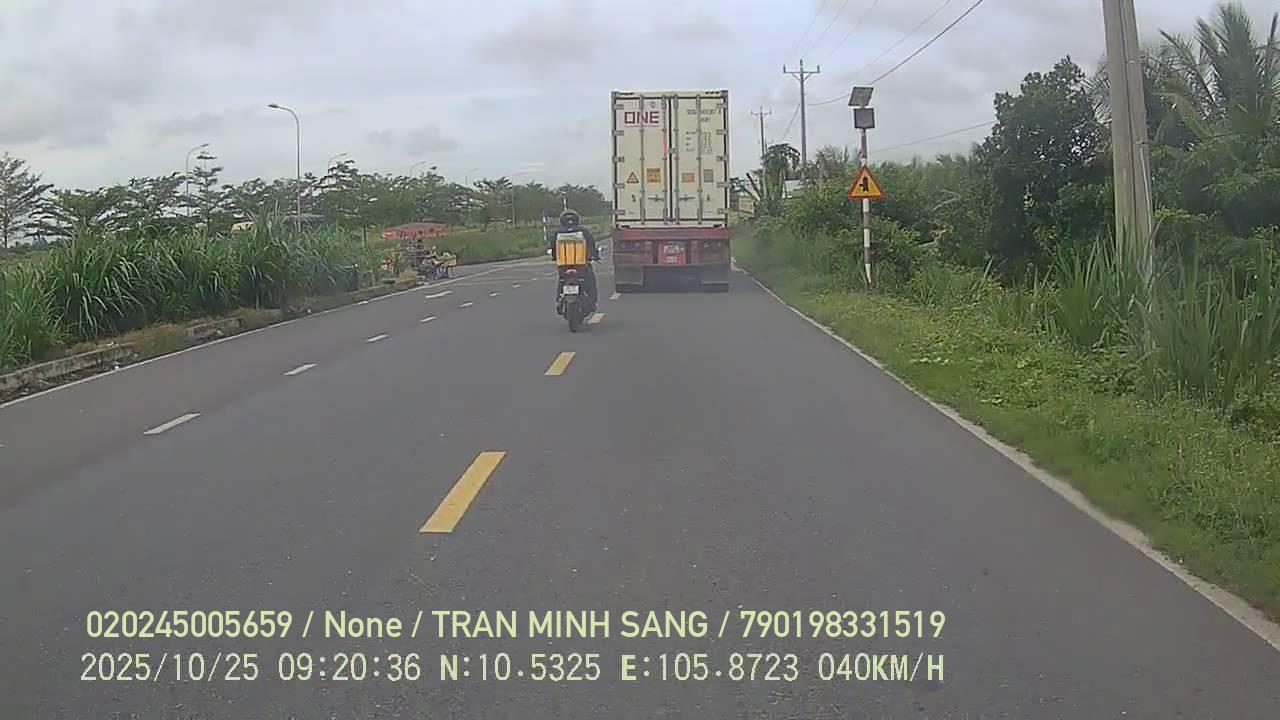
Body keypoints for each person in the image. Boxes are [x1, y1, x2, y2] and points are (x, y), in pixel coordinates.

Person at [549, 209, 599, 308]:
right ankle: (592, 301)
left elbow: (553, 248)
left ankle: (559, 297)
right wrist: (594, 255)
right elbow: (591, 245)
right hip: (581, 264)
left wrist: (554, 257)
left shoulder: (557, 233)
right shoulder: (583, 231)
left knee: (562, 279)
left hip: (563, 265)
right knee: (590, 280)